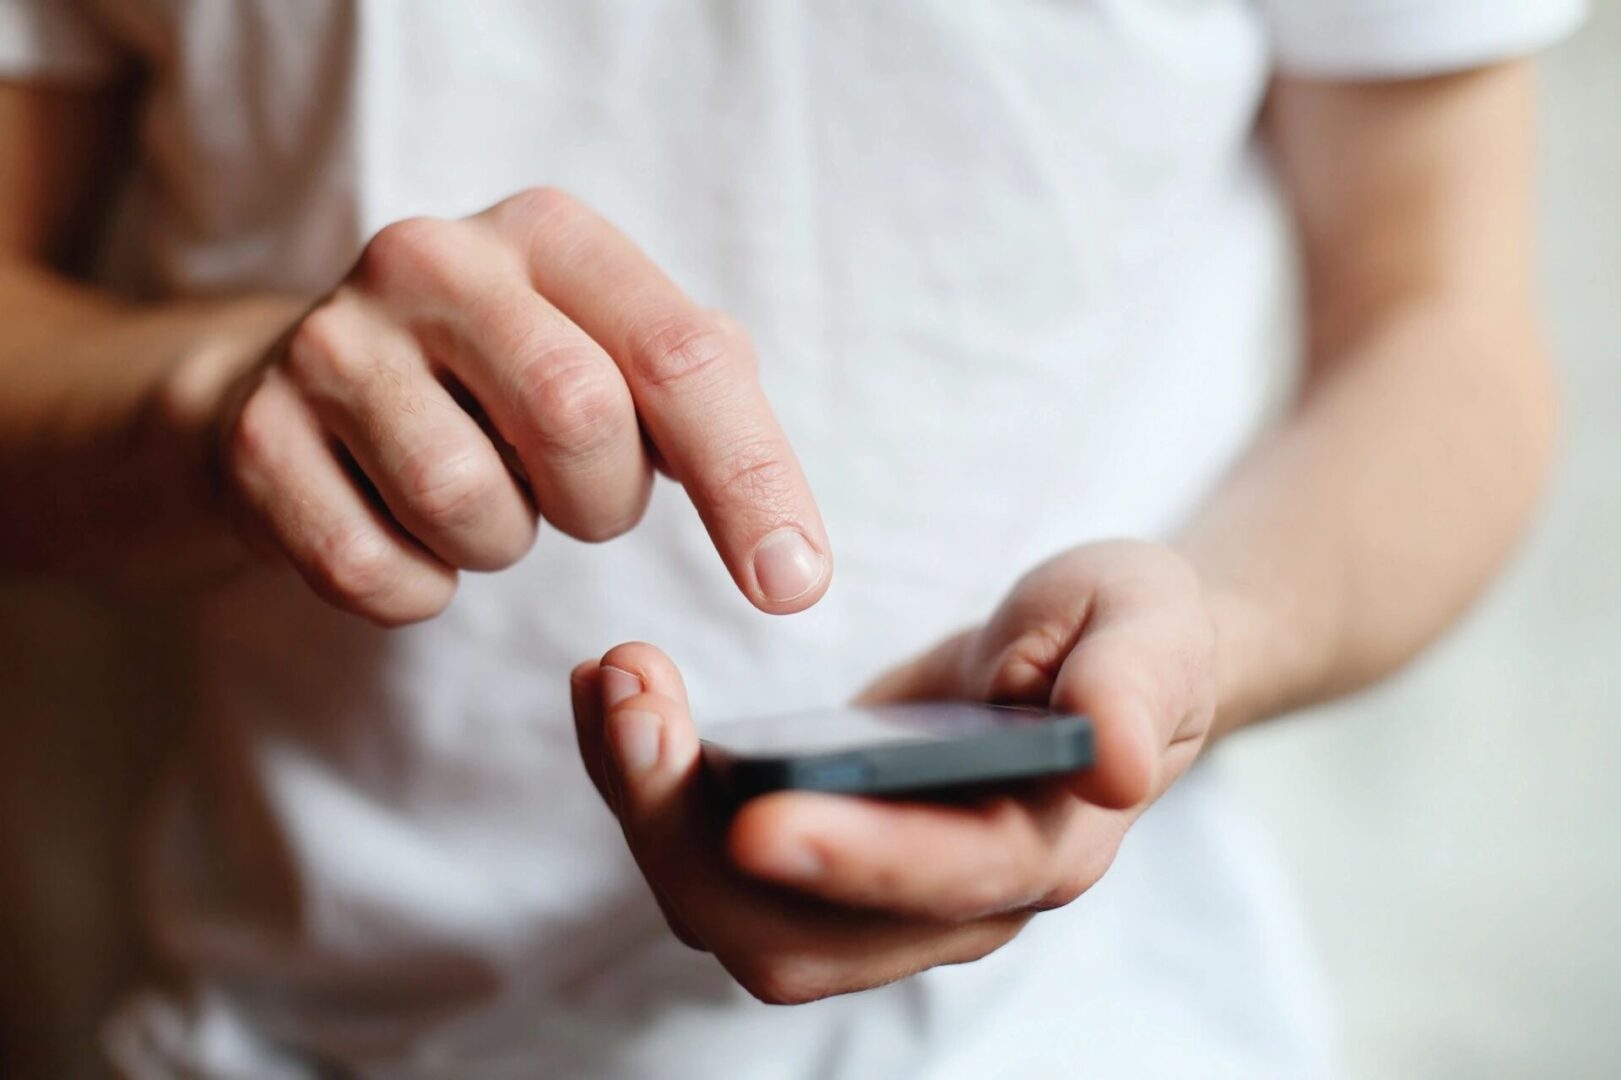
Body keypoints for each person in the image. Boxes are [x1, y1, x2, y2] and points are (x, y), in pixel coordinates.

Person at [0, 1, 1583, 1076]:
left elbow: (1438, 339)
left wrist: (1199, 648)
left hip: (1081, 1031)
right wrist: (219, 409)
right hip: (292, 1029)